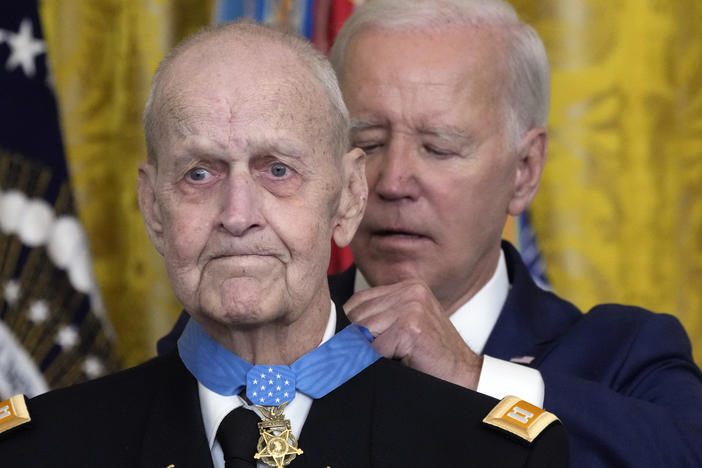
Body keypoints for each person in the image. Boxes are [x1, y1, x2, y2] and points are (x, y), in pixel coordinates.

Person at [0, 20, 568, 468]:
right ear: (153, 208)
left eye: (277, 170)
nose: (238, 215)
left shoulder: (489, 454)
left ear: (348, 199)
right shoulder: (34, 450)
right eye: (200, 173)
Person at [157, 0, 702, 465]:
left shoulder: (622, 354)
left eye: (439, 148)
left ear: (525, 169)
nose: (392, 182)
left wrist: (471, 376)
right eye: (367, 142)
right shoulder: (237, 334)